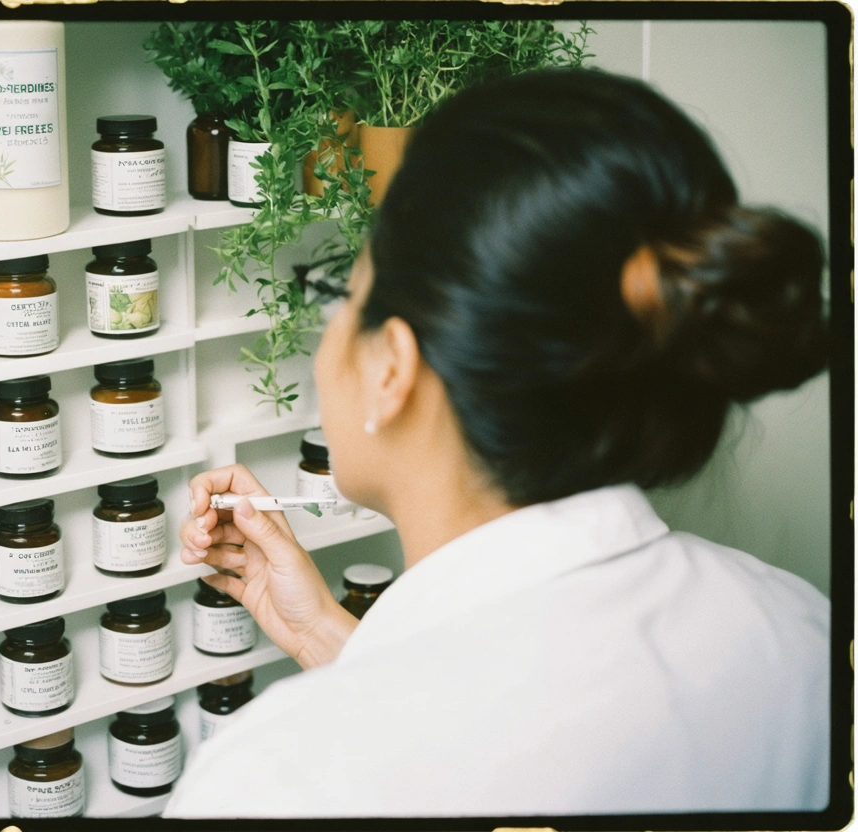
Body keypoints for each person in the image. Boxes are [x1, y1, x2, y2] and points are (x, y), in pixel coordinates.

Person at [164, 68, 830, 817]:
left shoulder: (272, 784)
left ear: (393, 369)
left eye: (339, 296)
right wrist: (321, 630)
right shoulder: (802, 633)